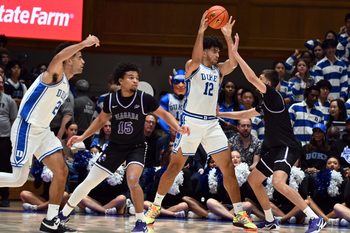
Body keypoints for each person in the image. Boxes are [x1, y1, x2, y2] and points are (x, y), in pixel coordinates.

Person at [144, 11, 257, 230]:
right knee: (174, 167)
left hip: (211, 124)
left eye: (218, 52)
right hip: (191, 123)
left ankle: (239, 213)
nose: (218, 55)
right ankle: (155, 207)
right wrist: (201, 31)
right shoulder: (193, 66)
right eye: (215, 51)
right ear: (205, 51)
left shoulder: (218, 71)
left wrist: (227, 35)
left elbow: (232, 64)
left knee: (228, 169)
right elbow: (195, 59)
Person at [58, 63, 189, 233]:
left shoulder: (144, 98)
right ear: (120, 80)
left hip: (136, 147)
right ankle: (63, 214)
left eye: (137, 78)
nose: (135, 81)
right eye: (131, 78)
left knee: (133, 180)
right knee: (89, 182)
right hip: (115, 147)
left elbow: (164, 114)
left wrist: (178, 128)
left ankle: (141, 222)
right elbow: (100, 121)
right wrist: (83, 137)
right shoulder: (111, 100)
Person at [218, 33, 327, 233]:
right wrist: (221, 113)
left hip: (287, 147)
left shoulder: (273, 95)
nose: (257, 79)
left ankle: (314, 219)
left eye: (261, 78)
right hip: (274, 148)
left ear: (267, 83)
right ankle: (270, 220)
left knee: (277, 182)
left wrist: (235, 53)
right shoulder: (265, 102)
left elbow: (250, 77)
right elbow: (247, 113)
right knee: (254, 180)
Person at [0, 35, 100, 232]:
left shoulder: (66, 84)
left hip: (43, 132)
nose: (83, 60)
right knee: (18, 179)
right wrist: (83, 43)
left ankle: (51, 220)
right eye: (80, 56)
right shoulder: (54, 74)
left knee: (61, 171)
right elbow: (57, 58)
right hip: (26, 128)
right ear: (69, 59)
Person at [0, 75, 17, 207]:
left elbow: (14, 120)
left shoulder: (9, 100)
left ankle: (5, 196)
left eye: (1, 82)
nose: (0, 84)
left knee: (4, 167)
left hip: (4, 139)